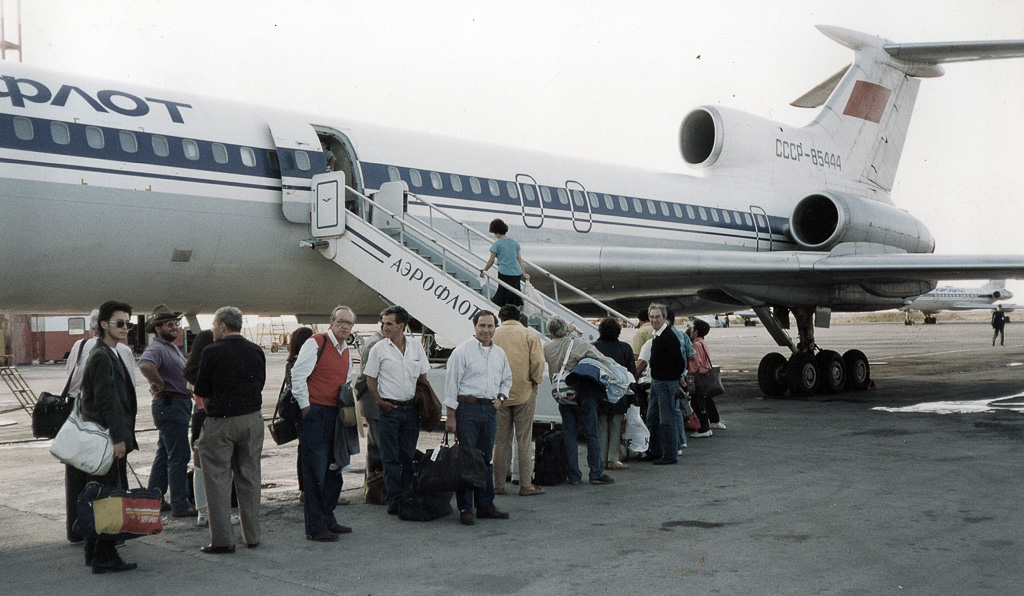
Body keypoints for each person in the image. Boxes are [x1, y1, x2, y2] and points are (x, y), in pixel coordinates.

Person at [193, 306, 266, 553]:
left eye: (214, 326)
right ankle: (252, 536)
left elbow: (201, 390)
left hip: (221, 421)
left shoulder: (212, 352)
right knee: (250, 477)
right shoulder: (256, 350)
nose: (213, 330)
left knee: (216, 480)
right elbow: (261, 383)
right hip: (252, 419)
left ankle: (223, 540)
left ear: (222, 326)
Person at [78, 300, 139, 573]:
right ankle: (105, 554)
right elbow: (108, 401)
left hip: (105, 438)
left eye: (128, 323)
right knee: (110, 495)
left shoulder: (107, 352)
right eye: (120, 323)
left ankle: (94, 550)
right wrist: (118, 438)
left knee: (102, 492)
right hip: (108, 439)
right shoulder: (102, 355)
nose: (126, 328)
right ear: (104, 325)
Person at [290, 307, 357, 542]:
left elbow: (346, 380)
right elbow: (298, 375)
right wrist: (306, 407)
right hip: (316, 414)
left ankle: (328, 518)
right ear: (331, 322)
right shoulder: (316, 342)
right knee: (315, 471)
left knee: (334, 467)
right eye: (341, 322)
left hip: (335, 414)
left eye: (349, 324)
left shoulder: (346, 350)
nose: (345, 327)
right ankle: (315, 526)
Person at [445, 310, 514, 525]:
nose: (486, 330)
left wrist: (501, 398)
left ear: (495, 328)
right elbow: (451, 385)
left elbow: (507, 379)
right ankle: (466, 507)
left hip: (489, 411)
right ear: (474, 327)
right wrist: (451, 417)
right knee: (466, 459)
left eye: (490, 326)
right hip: (467, 410)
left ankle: (486, 505)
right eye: (482, 326)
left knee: (485, 459)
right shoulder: (461, 352)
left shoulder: (499, 354)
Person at [363, 305, 429, 516]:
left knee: (407, 457)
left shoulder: (416, 348)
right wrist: (379, 401)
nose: (384, 327)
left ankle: (407, 497)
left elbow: (423, 377)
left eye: (389, 323)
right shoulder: (378, 349)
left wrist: (421, 400)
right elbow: (370, 379)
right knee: (390, 458)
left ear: (401, 326)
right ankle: (394, 502)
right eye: (383, 323)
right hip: (389, 410)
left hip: (411, 411)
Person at [543, 316, 615, 485]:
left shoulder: (546, 347)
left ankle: (574, 474)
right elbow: (603, 360)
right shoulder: (579, 345)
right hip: (581, 394)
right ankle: (596, 472)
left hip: (562, 395)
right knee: (591, 434)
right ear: (566, 330)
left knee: (569, 435)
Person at [139, 305, 196, 518]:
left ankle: (154, 499)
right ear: (157, 327)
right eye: (169, 324)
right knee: (179, 455)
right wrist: (159, 382)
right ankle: (180, 503)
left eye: (176, 324)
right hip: (171, 405)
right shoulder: (158, 348)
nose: (174, 327)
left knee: (165, 454)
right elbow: (145, 365)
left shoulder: (171, 347)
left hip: (176, 406)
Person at [491, 305, 546, 497]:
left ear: (501, 318)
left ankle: (497, 484)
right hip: (524, 391)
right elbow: (538, 362)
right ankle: (525, 484)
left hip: (499, 395)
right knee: (523, 439)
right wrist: (535, 381)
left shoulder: (493, 334)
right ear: (518, 317)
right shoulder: (529, 335)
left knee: (500, 441)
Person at [182, 329, 228, 528]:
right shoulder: (213, 365)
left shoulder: (192, 367)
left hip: (198, 415)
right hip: (212, 415)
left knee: (199, 466)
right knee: (220, 467)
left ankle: (202, 511)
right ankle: (218, 513)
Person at [645, 304, 689, 465]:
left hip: (666, 383)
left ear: (664, 318)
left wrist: (677, 377)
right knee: (652, 417)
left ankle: (670, 454)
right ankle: (656, 450)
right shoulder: (656, 334)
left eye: (657, 317)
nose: (654, 320)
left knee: (667, 419)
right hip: (657, 381)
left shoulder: (669, 337)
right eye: (651, 317)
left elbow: (679, 361)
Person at [592, 317, 638, 470]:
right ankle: (613, 458)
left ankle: (602, 459)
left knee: (602, 425)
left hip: (600, 392)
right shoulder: (625, 348)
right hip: (620, 393)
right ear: (618, 331)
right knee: (616, 425)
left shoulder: (594, 347)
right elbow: (632, 373)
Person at [354, 325, 385, 503]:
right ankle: (374, 490)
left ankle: (374, 488)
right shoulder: (375, 343)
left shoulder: (378, 341)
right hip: (373, 402)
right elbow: (366, 375)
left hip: (374, 401)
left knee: (376, 445)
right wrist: (356, 393)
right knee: (377, 447)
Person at [284, 327, 315, 503]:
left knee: (302, 451)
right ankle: (312, 490)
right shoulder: (307, 362)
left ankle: (303, 489)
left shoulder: (290, 363)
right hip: (309, 409)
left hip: (297, 413)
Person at [480, 218, 529, 307]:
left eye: (494, 233)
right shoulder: (515, 243)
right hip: (517, 273)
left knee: (502, 295)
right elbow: (519, 259)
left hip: (504, 272)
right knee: (514, 297)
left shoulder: (497, 244)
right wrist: (524, 273)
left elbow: (491, 261)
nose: (495, 235)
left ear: (497, 232)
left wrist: (484, 270)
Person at [687, 319, 725, 436]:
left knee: (697, 401)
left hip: (698, 376)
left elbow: (695, 363)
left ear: (696, 331)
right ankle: (713, 421)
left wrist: (689, 374)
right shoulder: (702, 342)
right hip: (706, 373)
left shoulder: (696, 345)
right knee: (706, 399)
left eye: (693, 329)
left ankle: (704, 429)